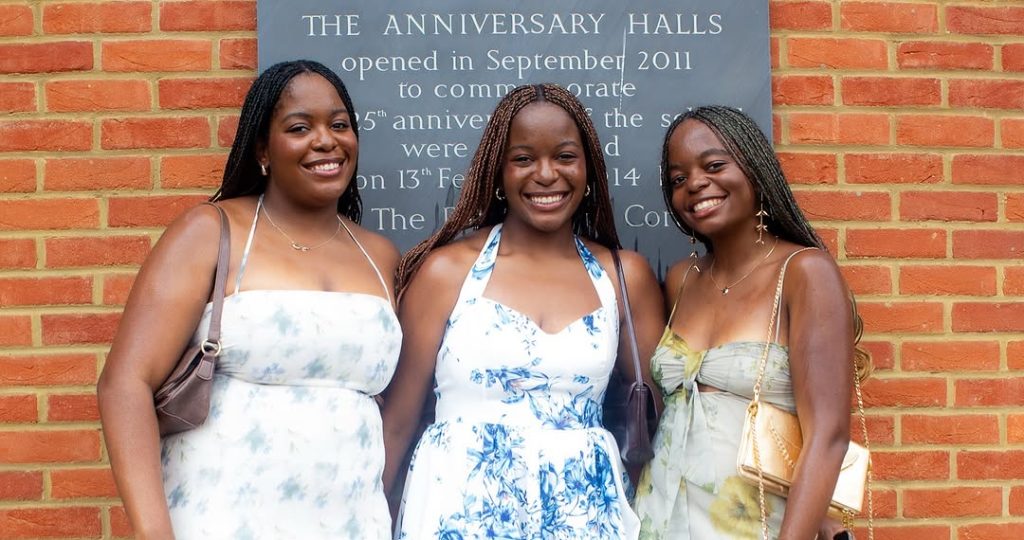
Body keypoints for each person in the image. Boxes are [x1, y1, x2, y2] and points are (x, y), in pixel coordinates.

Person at [97, 60, 401, 539]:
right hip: (218, 520)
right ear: (263, 149)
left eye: (339, 125)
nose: (326, 141)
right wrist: (152, 531)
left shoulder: (380, 257)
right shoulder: (211, 231)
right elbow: (124, 384)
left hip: (352, 525)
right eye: (300, 127)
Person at [382, 83, 664, 539]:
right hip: (461, 512)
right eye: (524, 158)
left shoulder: (622, 276)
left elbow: (662, 418)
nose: (546, 174)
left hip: (585, 516)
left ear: (588, 168)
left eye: (565, 157)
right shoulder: (447, 272)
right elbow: (397, 423)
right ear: (498, 171)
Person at [632, 106, 871, 540]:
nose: (695, 184)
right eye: (678, 179)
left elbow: (829, 436)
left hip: (758, 523)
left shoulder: (804, 272)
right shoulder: (681, 279)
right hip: (659, 516)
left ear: (755, 168)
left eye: (714, 165)